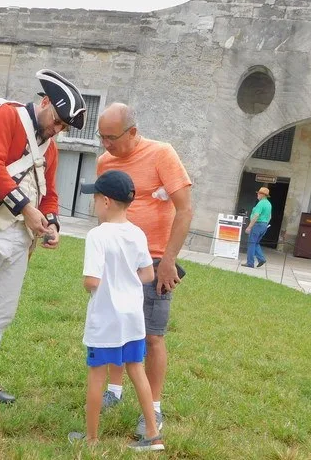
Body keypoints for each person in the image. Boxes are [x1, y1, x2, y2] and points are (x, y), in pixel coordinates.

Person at [0, 69, 87, 425]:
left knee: (2, 311)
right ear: (44, 103)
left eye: (63, 128)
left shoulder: (49, 148)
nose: (57, 131)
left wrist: (51, 222)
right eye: (57, 121)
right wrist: (28, 208)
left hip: (19, 236)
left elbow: (50, 192)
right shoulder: (3, 116)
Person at [94, 103, 193, 438]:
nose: (106, 144)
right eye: (101, 137)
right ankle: (115, 390)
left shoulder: (162, 154)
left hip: (153, 261)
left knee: (151, 335)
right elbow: (102, 210)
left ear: (132, 132)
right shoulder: (104, 162)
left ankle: (153, 409)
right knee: (115, 326)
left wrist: (168, 261)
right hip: (115, 261)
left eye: (111, 137)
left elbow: (185, 209)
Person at [67, 170, 164, 451]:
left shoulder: (97, 235)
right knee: (137, 369)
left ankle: (92, 439)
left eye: (95, 198)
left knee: (97, 374)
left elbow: (92, 281)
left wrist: (91, 284)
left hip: (105, 318)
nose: (93, 203)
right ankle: (153, 433)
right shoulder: (137, 233)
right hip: (132, 318)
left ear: (106, 201)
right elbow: (147, 274)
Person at [242, 186, 272, 268]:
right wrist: (265, 224)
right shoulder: (269, 204)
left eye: (258, 193)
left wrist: (249, 227)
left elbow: (256, 215)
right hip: (264, 225)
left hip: (257, 225)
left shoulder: (261, 203)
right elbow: (269, 217)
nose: (257, 195)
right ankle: (261, 259)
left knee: (251, 243)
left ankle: (250, 263)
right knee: (256, 243)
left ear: (262, 195)